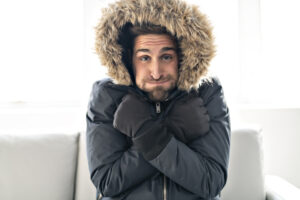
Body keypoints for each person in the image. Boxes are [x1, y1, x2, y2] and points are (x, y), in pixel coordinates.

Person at [86, 0, 231, 199]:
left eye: (166, 57)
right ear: (129, 59)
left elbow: (210, 181)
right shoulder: (108, 95)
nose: (155, 73)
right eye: (145, 57)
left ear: (183, 56)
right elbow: (108, 181)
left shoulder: (206, 92)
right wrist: (175, 128)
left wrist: (146, 133)